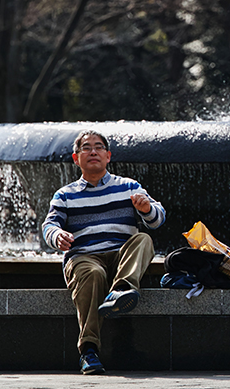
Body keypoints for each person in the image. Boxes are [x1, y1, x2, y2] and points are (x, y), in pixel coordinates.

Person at [42, 130, 166, 375]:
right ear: (77, 159)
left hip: (122, 257)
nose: (93, 152)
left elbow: (158, 218)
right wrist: (58, 236)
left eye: (98, 147)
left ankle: (122, 290)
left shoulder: (129, 186)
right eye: (86, 148)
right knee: (93, 272)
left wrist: (146, 208)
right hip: (84, 257)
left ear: (108, 156)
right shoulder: (65, 195)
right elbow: (49, 225)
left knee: (143, 239)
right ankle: (88, 351)